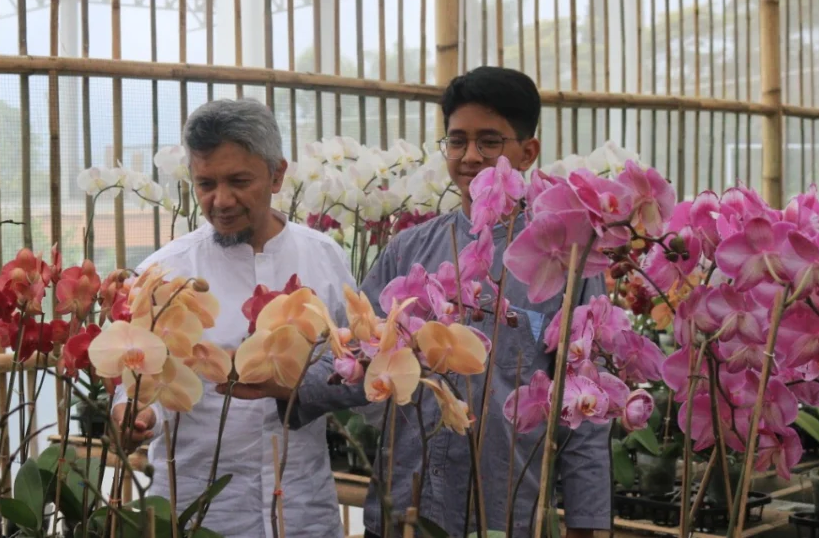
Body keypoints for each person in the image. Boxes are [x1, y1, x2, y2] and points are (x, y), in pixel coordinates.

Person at [228, 67, 612, 537]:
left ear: (528, 152)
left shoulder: (569, 261)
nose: (470, 157)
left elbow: (586, 407)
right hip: (403, 507)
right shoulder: (408, 253)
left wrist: (587, 523)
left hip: (509, 512)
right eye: (457, 141)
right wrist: (282, 380)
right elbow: (357, 358)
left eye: (489, 141)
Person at [110, 98, 354, 537]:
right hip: (199, 514)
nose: (220, 200)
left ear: (277, 174)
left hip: (302, 512)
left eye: (239, 181)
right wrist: (132, 413)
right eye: (205, 184)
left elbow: (352, 363)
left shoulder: (325, 259)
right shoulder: (166, 273)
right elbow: (136, 383)